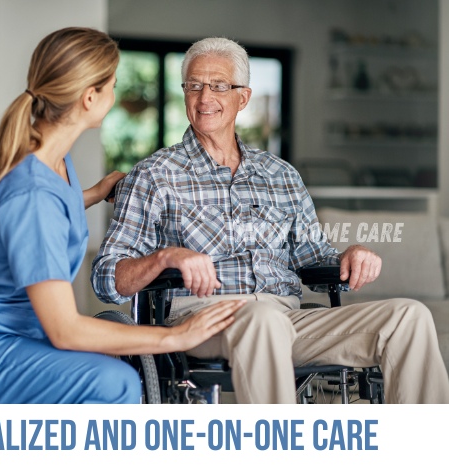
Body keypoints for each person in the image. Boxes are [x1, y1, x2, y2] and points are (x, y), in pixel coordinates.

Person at [92, 36, 449, 404]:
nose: (204, 98)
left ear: (242, 98)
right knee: (261, 319)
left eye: (218, 86)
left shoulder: (281, 175)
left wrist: (349, 256)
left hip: (287, 318)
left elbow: (313, 255)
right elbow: (106, 278)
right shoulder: (154, 175)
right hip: (203, 319)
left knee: (409, 317)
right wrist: (165, 257)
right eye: (194, 85)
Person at [0, 27, 244, 404]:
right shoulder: (33, 192)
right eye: (112, 86)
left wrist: (95, 193)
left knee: (109, 363)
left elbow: (46, 212)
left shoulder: (50, 161)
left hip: (13, 334)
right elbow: (66, 329)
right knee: (114, 382)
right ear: (89, 97)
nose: (115, 97)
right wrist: (175, 337)